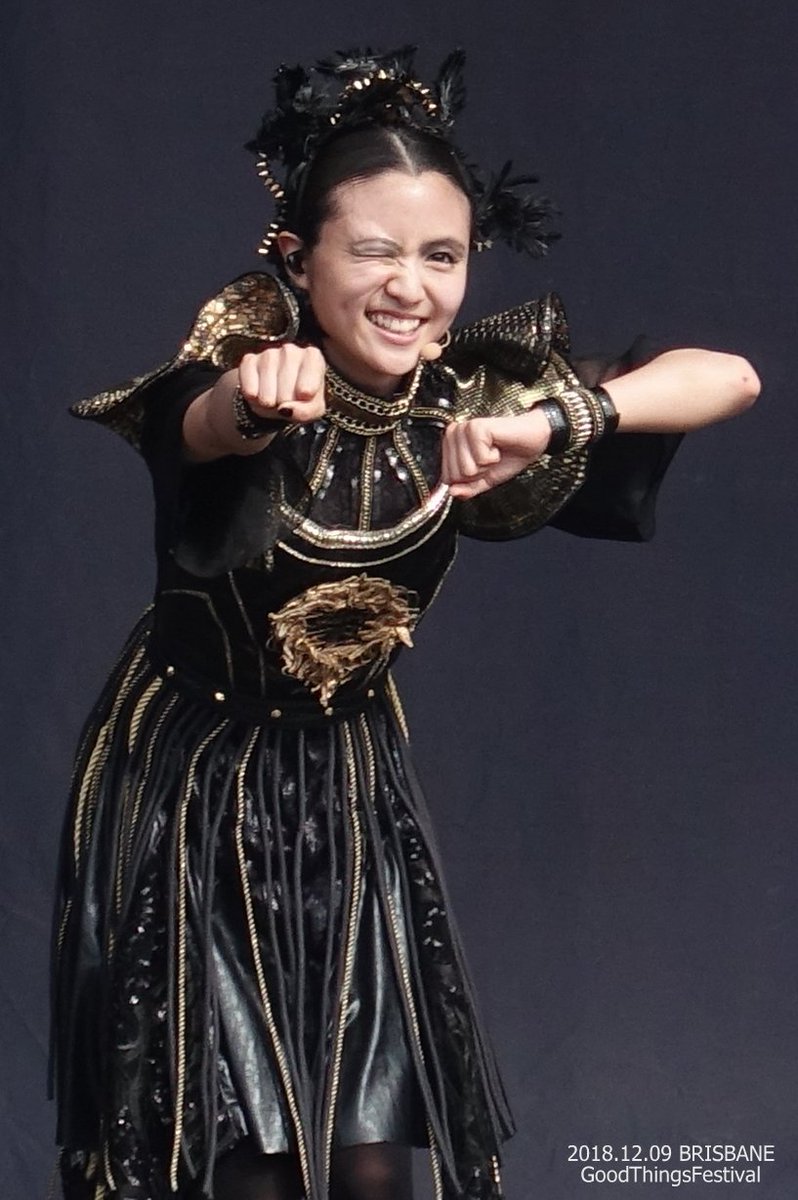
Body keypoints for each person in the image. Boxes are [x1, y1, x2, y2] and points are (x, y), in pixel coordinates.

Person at [50, 47, 759, 1200]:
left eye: (442, 256)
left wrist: (555, 419)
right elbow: (202, 422)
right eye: (374, 251)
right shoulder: (239, 372)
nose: (411, 287)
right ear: (297, 256)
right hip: (194, 793)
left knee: (375, 1167)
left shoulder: (463, 404)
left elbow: (729, 378)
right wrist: (253, 402)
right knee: (240, 1170)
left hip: (347, 787)